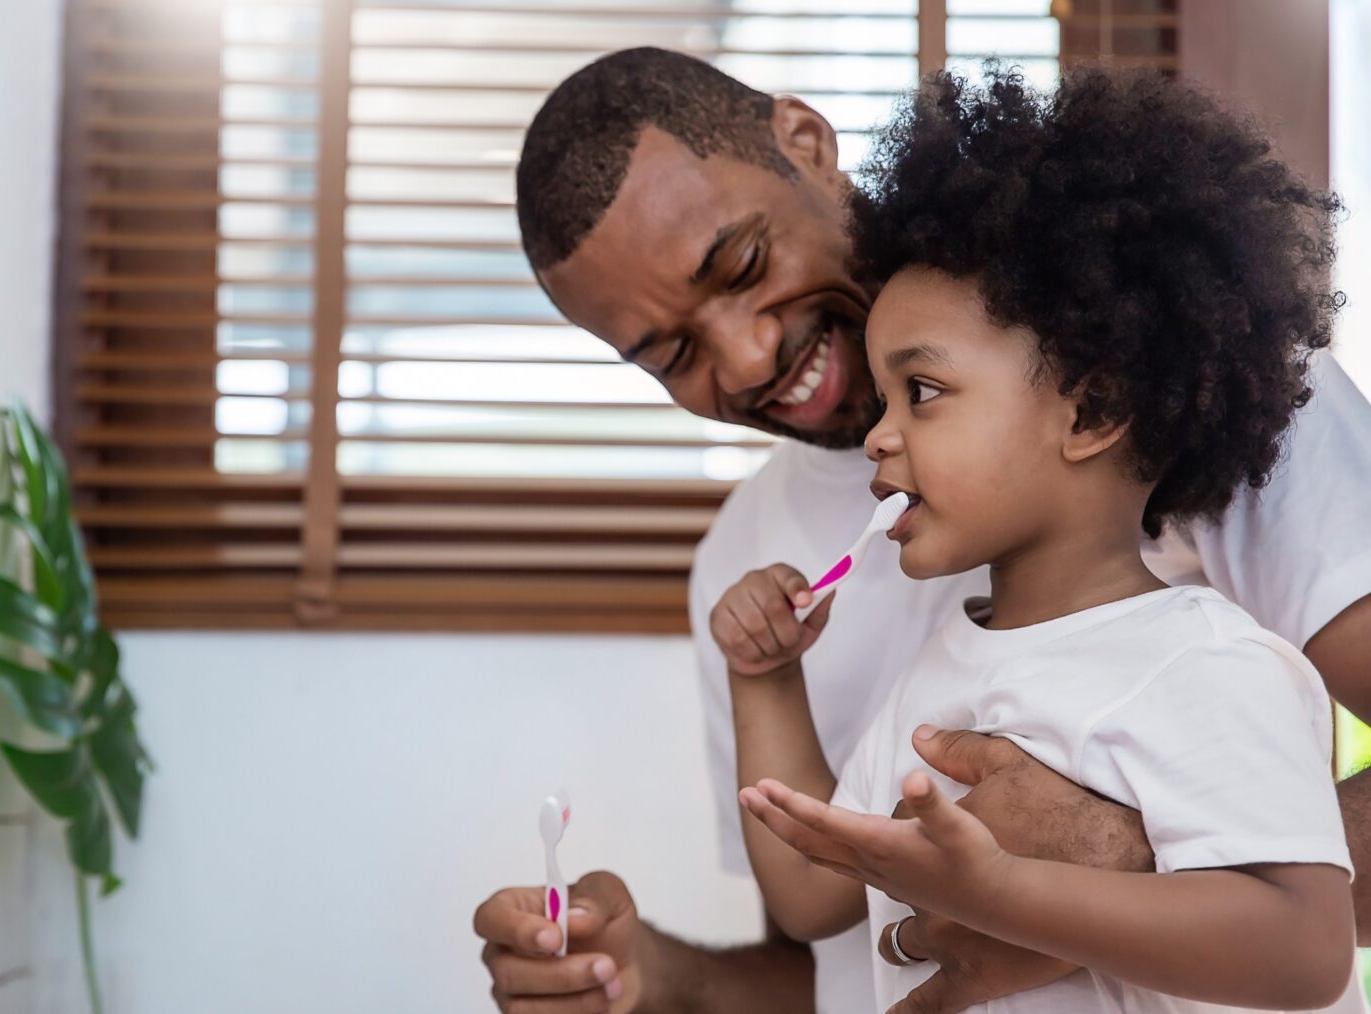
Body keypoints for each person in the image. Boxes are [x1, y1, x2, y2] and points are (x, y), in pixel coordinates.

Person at [473, 47, 1371, 1014]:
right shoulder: (770, 578)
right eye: (673, 355)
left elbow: (1297, 936)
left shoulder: (1189, 391)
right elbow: (836, 925)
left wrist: (1093, 869)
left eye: (741, 264)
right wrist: (646, 978)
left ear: (807, 145)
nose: (744, 359)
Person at [716, 65, 1354, 1012]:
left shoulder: (1209, 667)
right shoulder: (935, 677)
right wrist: (763, 678)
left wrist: (1010, 894)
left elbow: (1305, 951)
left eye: (922, 393)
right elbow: (811, 890)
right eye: (883, 401)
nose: (877, 436)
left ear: (1090, 409)